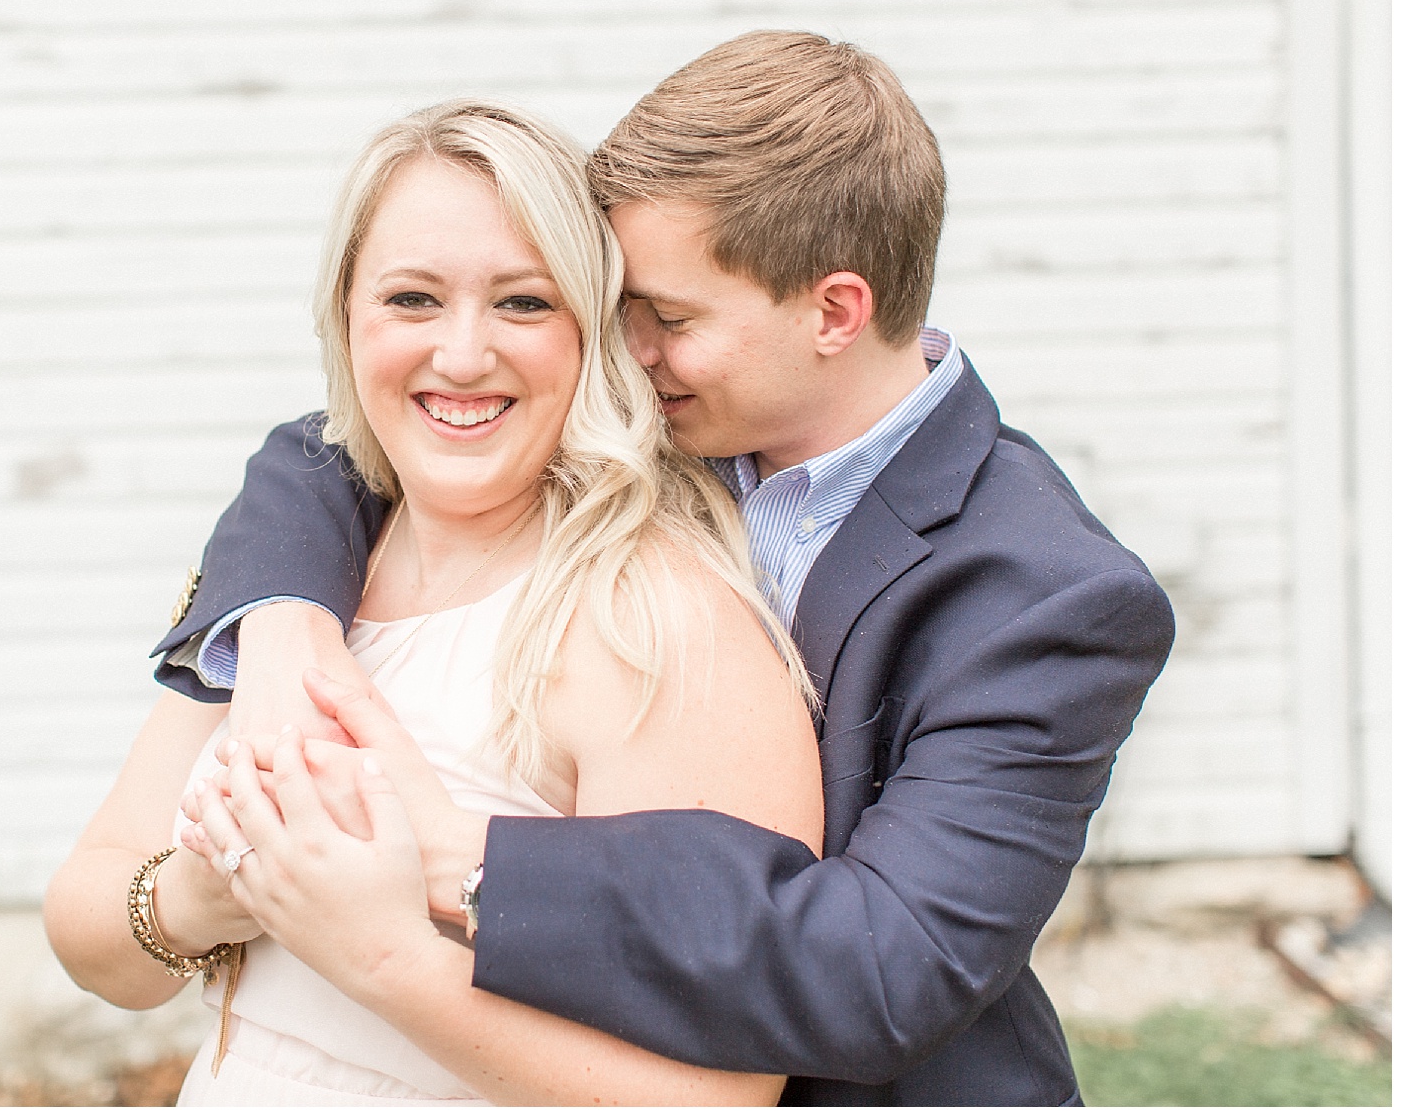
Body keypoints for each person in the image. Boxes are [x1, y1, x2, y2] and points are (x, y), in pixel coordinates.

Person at [160, 31, 1178, 1105]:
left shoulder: (1050, 599)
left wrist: (458, 856)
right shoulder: (672, 415)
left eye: (668, 318)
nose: (626, 348)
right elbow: (330, 449)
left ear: (835, 312)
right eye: (618, 308)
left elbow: (886, 969)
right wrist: (283, 620)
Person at [46, 99, 824, 1104]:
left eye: (524, 303)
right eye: (412, 299)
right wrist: (206, 895)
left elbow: (716, 1097)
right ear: (346, 318)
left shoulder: (657, 620)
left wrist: (383, 955)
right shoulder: (297, 597)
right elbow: (89, 927)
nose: (461, 355)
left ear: (597, 330)